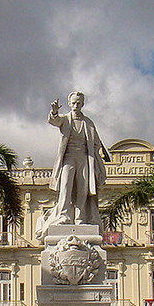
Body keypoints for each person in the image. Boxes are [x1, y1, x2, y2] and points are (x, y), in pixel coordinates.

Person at [47, 91, 108, 226]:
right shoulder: (65, 119)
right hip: (68, 157)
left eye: (78, 103)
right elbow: (54, 121)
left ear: (83, 104)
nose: (76, 105)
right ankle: (63, 216)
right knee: (65, 186)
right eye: (73, 103)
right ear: (69, 104)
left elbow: (96, 142)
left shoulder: (88, 123)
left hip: (85, 159)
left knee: (83, 189)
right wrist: (54, 112)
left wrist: (99, 155)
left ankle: (80, 218)